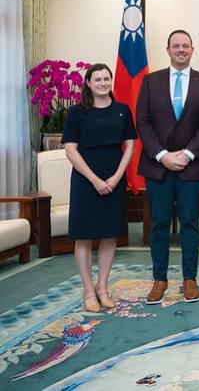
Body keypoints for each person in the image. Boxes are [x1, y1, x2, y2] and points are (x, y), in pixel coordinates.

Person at [136, 29, 199, 304]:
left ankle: (189, 279)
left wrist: (188, 154)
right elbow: (143, 121)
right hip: (158, 166)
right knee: (158, 224)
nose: (181, 50)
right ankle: (159, 279)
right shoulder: (151, 81)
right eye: (176, 46)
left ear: (192, 50)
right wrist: (162, 154)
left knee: (189, 223)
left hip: (191, 167)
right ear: (168, 49)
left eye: (185, 46)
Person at [63, 63, 137, 312]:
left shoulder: (122, 110)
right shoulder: (76, 112)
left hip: (114, 178)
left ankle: (103, 287)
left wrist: (117, 177)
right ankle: (87, 289)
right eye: (98, 80)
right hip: (86, 180)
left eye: (107, 79)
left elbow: (130, 146)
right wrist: (94, 179)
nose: (103, 83)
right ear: (88, 83)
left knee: (109, 234)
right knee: (84, 236)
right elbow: (70, 149)